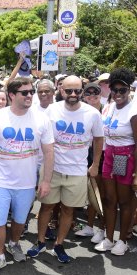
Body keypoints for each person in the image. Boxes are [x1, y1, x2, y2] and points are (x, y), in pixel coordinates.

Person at [0, 78, 54, 274]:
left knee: (20, 220)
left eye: (31, 92)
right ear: (12, 95)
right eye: (24, 92)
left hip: (27, 182)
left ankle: (14, 243)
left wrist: (46, 181)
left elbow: (49, 152)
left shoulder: (41, 119)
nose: (30, 95)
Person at [27, 75, 104, 263]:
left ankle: (59, 245)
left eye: (77, 91)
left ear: (82, 92)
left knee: (69, 210)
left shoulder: (92, 113)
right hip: (52, 169)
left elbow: (98, 139)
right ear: (61, 90)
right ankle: (40, 241)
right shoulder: (51, 110)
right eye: (68, 90)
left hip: (77, 171)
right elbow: (39, 135)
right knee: (46, 207)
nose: (73, 94)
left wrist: (94, 164)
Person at [95, 68, 137, 255]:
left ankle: (122, 240)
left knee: (124, 200)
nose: (118, 93)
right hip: (109, 154)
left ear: (129, 90)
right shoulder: (109, 106)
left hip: (125, 155)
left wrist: (136, 173)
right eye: (115, 89)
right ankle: (109, 238)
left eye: (123, 90)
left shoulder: (134, 110)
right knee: (109, 198)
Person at [75, 83, 106, 242]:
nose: (92, 96)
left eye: (96, 93)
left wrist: (96, 162)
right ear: (83, 95)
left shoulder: (106, 110)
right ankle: (89, 226)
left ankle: (102, 228)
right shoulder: (81, 112)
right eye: (88, 93)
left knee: (100, 193)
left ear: (101, 95)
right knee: (90, 192)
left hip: (102, 156)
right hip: (84, 155)